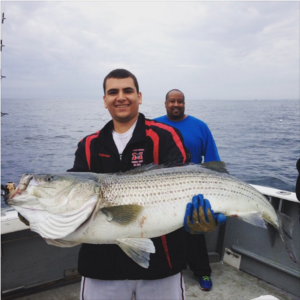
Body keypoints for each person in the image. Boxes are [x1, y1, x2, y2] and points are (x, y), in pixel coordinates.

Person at [68, 69, 225, 300]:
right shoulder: (88, 145)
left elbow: (186, 183)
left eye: (127, 91)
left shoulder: (166, 135)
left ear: (139, 97)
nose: (120, 97)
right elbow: (73, 197)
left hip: (162, 267)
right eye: (113, 92)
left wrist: (200, 220)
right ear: (105, 101)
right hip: (100, 269)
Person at [155, 89, 221, 292]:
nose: (176, 104)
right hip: (161, 190)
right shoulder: (154, 125)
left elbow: (212, 163)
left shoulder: (200, 127)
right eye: (172, 101)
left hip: (193, 188)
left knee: (195, 231)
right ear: (165, 103)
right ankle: (163, 273)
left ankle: (202, 271)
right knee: (162, 234)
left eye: (180, 101)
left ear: (184, 103)